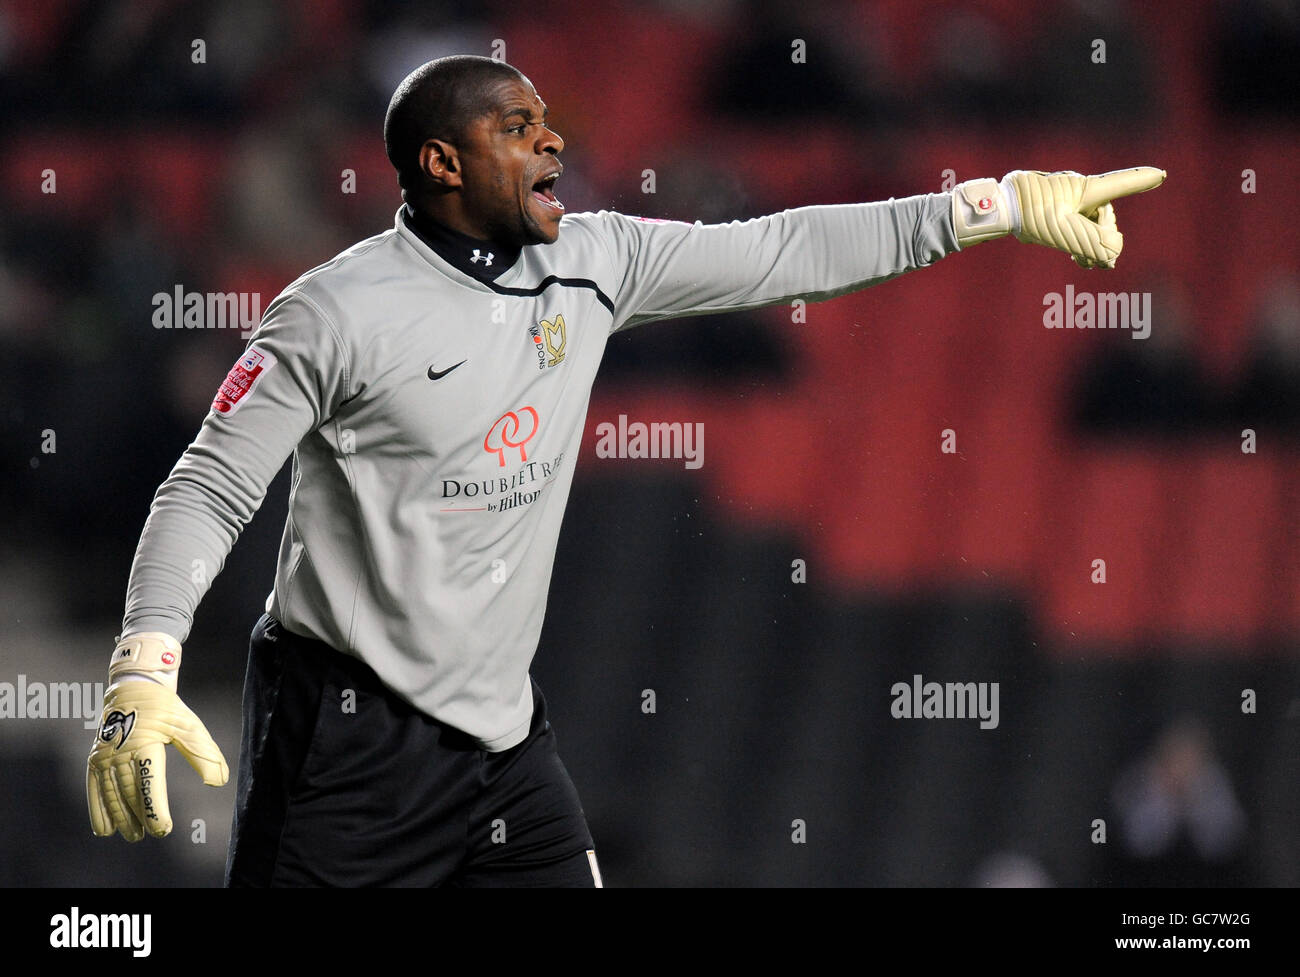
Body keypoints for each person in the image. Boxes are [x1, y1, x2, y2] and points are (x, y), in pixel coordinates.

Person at [86, 54, 1165, 887]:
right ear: (442, 165)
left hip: (503, 734)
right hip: (343, 740)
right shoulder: (334, 311)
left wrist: (994, 203)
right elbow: (208, 486)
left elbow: (784, 248)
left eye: (546, 118)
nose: (552, 139)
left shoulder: (595, 260)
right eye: (516, 128)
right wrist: (145, 662)